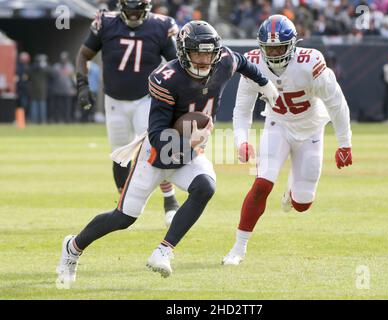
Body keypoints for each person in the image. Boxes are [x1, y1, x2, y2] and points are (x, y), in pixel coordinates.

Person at [56, 20, 278, 284]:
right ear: (184, 52)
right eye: (198, 53)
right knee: (123, 217)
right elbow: (157, 132)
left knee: (205, 187)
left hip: (189, 151)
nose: (205, 59)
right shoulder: (166, 78)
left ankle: (163, 251)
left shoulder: (224, 61)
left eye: (209, 53)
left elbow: (243, 63)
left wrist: (265, 85)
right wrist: (186, 145)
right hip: (157, 155)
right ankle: (73, 246)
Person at [222, 15, 353, 266]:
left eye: (279, 47)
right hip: (277, 125)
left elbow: (336, 103)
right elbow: (241, 109)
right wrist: (242, 141)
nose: (273, 52)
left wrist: (344, 143)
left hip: (311, 128)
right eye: (269, 47)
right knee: (262, 185)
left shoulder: (310, 62)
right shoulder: (252, 63)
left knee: (302, 204)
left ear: (292, 45)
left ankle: (293, 187)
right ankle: (238, 248)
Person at [75, 0, 180, 225]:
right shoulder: (106, 22)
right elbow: (84, 55)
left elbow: (175, 63)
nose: (133, 15)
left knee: (154, 148)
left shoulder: (160, 26)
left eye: (137, 10)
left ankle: (169, 199)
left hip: (146, 98)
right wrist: (83, 84)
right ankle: (124, 205)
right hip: (114, 100)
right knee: (120, 154)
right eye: (129, 10)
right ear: (121, 7)